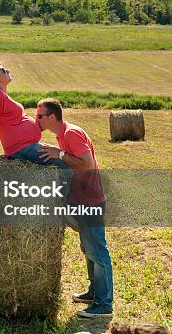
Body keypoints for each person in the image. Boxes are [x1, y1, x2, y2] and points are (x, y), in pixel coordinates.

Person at [35, 98, 113, 319]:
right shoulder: (62, 135)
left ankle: (104, 304)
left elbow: (87, 163)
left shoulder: (71, 133)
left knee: (98, 251)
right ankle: (95, 292)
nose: (36, 119)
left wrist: (58, 154)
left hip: (91, 201)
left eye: (40, 116)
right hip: (81, 200)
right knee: (89, 249)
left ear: (52, 117)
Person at [0, 62, 67, 170]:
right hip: (22, 148)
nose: (8, 71)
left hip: (26, 146)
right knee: (66, 163)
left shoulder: (1, 95)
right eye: (3, 70)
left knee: (64, 155)